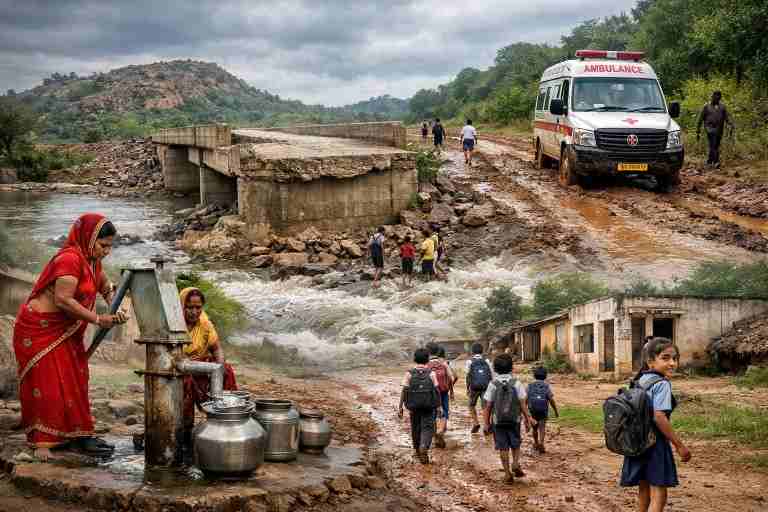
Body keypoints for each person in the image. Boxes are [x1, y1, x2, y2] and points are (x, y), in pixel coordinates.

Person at [13, 213, 128, 459]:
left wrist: (115, 306)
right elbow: (63, 300)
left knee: (74, 379)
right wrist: (98, 319)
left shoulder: (92, 261)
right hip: (40, 329)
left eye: (110, 246)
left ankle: (76, 435)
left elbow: (106, 288)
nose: (107, 251)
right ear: (88, 238)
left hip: (63, 332)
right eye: (103, 245)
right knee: (50, 384)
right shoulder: (69, 260)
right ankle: (45, 439)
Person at [621, 337, 691, 512]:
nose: (672, 363)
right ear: (650, 361)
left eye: (675, 358)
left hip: (637, 442)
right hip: (655, 445)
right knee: (659, 493)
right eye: (665, 358)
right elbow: (659, 417)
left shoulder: (638, 381)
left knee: (644, 489)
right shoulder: (661, 384)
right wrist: (679, 445)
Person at [180, 287, 238, 444]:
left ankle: (224, 417)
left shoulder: (205, 324)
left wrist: (220, 366)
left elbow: (217, 348)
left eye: (198, 307)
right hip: (180, 368)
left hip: (201, 366)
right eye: (189, 307)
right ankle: (185, 428)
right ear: (181, 306)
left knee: (226, 370)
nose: (194, 312)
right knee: (186, 383)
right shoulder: (174, 324)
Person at [483, 353, 533, 484]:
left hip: (498, 422)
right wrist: (528, 419)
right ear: (512, 368)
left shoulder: (492, 384)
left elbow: (488, 406)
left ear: (494, 369)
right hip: (514, 420)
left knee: (503, 447)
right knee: (515, 444)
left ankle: (507, 473)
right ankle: (515, 463)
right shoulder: (517, 383)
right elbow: (523, 404)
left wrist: (486, 424)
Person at [398, 347, 440, 464]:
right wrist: (439, 406)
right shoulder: (431, 373)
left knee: (415, 428)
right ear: (427, 360)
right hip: (428, 406)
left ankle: (417, 450)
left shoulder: (409, 373)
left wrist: (400, 407)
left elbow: (404, 391)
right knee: (427, 428)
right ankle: (424, 446)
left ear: (415, 359)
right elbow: (436, 390)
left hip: (413, 406)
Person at [426, 342, 455, 448]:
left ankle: (435, 436)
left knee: (432, 415)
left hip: (431, 394)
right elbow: (452, 378)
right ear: (437, 351)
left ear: (427, 352)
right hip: (443, 393)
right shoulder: (443, 363)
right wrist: (449, 389)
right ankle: (441, 431)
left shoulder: (426, 364)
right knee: (444, 412)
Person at [697, 91, 735, 169]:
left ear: (720, 98)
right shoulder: (706, 106)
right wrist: (698, 130)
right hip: (709, 128)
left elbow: (726, 117)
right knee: (713, 144)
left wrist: (730, 124)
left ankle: (709, 162)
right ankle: (716, 162)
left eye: (718, 98)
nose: (716, 99)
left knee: (715, 146)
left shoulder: (722, 107)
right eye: (714, 97)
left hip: (719, 129)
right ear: (712, 97)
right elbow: (700, 119)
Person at [527, 366, 559, 453]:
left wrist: (526, 412)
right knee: (542, 427)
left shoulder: (530, 386)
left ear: (534, 375)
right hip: (543, 410)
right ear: (545, 376)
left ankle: (536, 443)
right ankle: (541, 443)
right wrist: (556, 411)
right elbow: (551, 399)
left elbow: (525, 398)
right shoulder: (546, 386)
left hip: (532, 410)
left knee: (534, 428)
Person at [465, 342, 493, 433]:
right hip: (486, 386)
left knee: (471, 405)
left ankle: (476, 423)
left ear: (472, 351)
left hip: (474, 387)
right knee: (485, 406)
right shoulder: (487, 361)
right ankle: (486, 426)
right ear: (482, 351)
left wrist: (467, 388)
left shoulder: (469, 361)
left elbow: (467, 375)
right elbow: (491, 374)